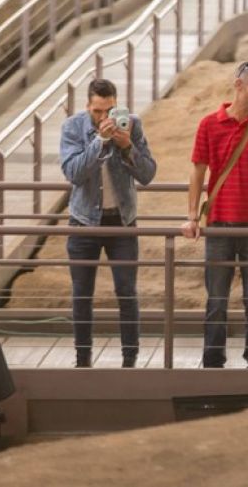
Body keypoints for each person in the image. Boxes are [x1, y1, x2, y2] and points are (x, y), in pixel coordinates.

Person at [181, 60, 248, 369]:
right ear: (239, 85)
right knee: (216, 301)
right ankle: (213, 361)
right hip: (218, 225)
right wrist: (192, 216)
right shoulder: (208, 124)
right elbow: (197, 173)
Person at [60, 78, 157, 368]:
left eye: (110, 110)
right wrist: (99, 141)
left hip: (122, 223)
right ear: (88, 106)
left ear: (117, 104)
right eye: (98, 111)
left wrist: (127, 147)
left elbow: (148, 174)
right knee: (81, 294)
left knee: (127, 292)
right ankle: (82, 360)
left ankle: (130, 359)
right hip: (83, 222)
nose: (105, 118)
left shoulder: (132, 125)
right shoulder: (73, 128)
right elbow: (74, 174)